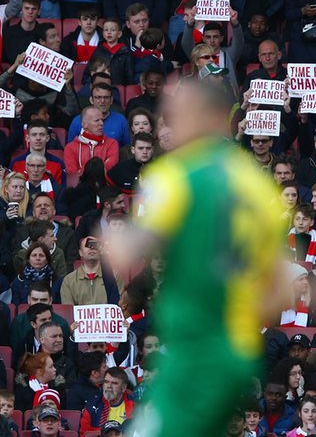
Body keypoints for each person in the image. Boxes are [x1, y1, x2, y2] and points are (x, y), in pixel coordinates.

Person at [115, 78, 285, 437]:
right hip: (236, 349)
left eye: (181, 113)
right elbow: (278, 288)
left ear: (209, 117)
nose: (171, 123)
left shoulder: (179, 175)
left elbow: (131, 247)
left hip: (195, 348)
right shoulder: (258, 186)